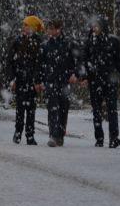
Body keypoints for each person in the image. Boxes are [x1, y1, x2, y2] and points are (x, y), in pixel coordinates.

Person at [79, 16, 120, 148]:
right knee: (96, 110)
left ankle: (114, 137)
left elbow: (119, 60)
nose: (94, 29)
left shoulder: (113, 41)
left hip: (109, 80)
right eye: (93, 26)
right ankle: (99, 137)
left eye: (97, 26)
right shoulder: (90, 42)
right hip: (95, 80)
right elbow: (84, 60)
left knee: (112, 109)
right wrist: (84, 77)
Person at [36, 19, 77, 147]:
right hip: (51, 81)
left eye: (52, 28)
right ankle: (53, 134)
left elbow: (76, 61)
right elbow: (41, 65)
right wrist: (39, 80)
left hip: (65, 81)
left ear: (59, 29)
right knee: (52, 109)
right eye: (49, 28)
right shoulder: (45, 45)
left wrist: (75, 74)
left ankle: (60, 134)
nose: (50, 31)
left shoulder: (68, 44)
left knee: (63, 109)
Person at [6, 15, 44, 145]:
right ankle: (18, 133)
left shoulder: (38, 42)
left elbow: (40, 64)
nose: (24, 28)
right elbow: (10, 62)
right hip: (20, 80)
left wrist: (38, 81)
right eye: (24, 25)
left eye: (26, 25)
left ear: (33, 28)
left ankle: (30, 135)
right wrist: (12, 79)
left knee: (31, 110)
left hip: (32, 82)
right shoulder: (17, 41)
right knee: (20, 109)